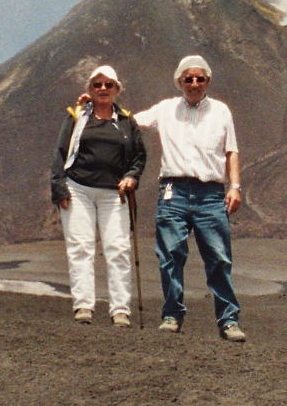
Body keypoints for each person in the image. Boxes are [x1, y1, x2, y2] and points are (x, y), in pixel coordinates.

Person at [134, 55, 245, 341]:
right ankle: (172, 315)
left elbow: (231, 150)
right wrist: (95, 106)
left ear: (207, 81)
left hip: (210, 193)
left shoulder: (221, 112)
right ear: (179, 82)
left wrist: (235, 186)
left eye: (200, 78)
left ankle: (228, 320)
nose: (194, 83)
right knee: (170, 254)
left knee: (219, 257)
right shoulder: (166, 109)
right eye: (188, 79)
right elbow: (130, 122)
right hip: (174, 191)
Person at [51, 64, 146, 326]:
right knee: (81, 247)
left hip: (115, 194)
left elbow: (139, 155)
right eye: (97, 85)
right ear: (90, 90)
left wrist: (132, 176)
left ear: (117, 89)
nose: (103, 89)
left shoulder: (126, 121)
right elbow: (60, 152)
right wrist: (58, 186)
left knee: (117, 248)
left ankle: (120, 310)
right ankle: (83, 306)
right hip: (78, 189)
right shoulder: (77, 116)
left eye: (108, 85)